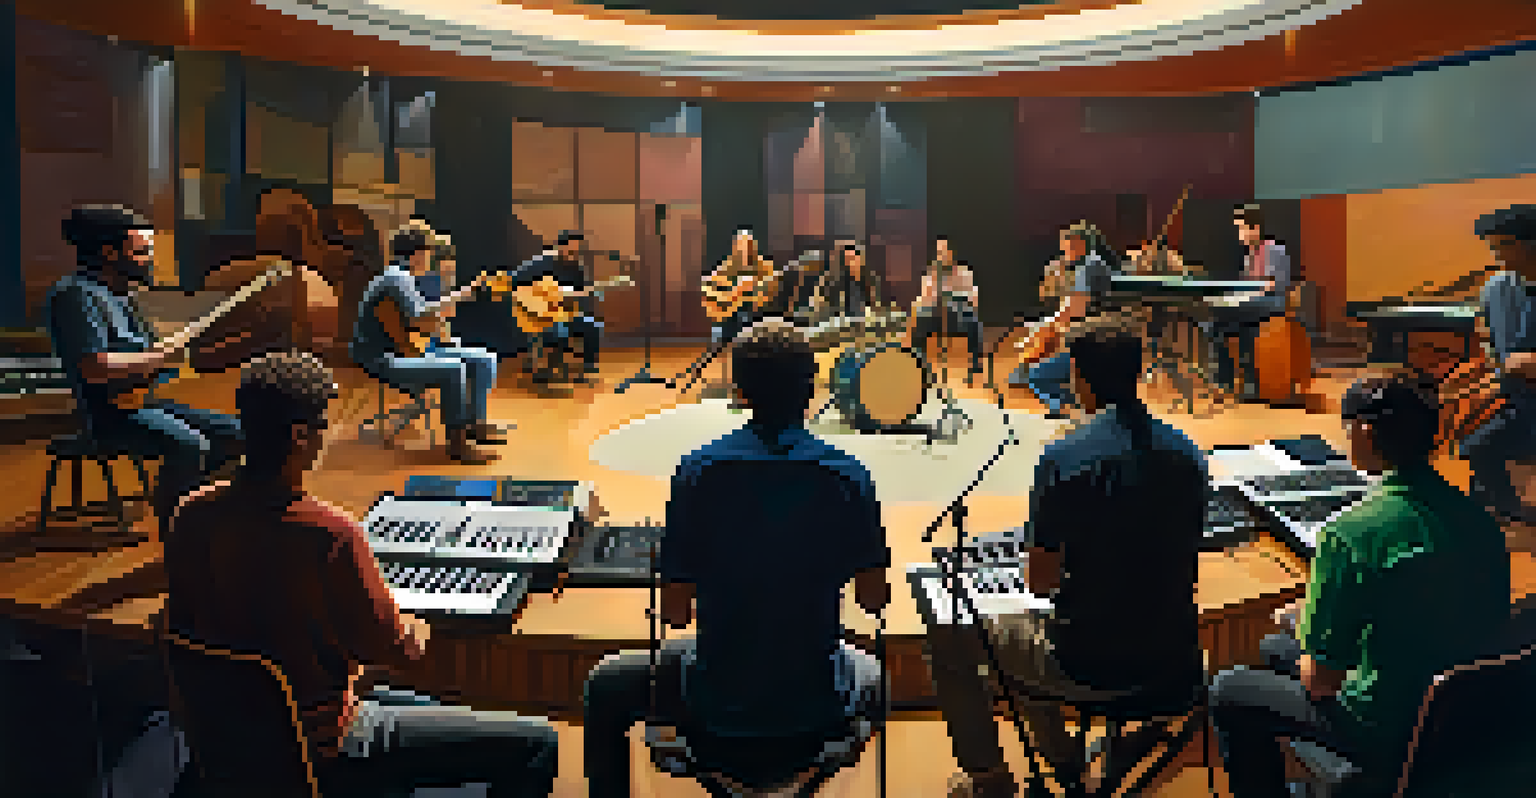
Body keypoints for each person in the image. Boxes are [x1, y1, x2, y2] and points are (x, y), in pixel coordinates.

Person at [166, 351, 559, 798]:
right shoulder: (330, 535)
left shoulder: (192, 513)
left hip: (228, 734)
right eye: (323, 425)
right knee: (538, 742)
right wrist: (413, 624)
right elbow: (397, 650)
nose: (326, 435)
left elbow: (184, 619)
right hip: (323, 743)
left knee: (431, 708)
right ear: (299, 437)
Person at [582, 320, 890, 798]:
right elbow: (873, 599)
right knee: (875, 676)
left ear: (739, 393)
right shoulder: (849, 476)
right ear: (812, 390)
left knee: (605, 684)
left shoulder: (697, 472)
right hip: (816, 704)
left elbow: (676, 612)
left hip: (716, 704)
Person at [931, 325, 1207, 798]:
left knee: (953, 634)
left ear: (1079, 378)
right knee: (1029, 631)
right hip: (1175, 658)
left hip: (1087, 662)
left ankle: (994, 778)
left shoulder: (1065, 456)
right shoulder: (1188, 453)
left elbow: (1040, 582)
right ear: (1137, 372)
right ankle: (1064, 759)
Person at [1209, 374, 1510, 798]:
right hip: (1465, 717)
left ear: (1364, 432)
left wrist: (1307, 623)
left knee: (1229, 688)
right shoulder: (1481, 521)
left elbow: (1321, 682)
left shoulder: (1350, 535)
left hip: (1388, 728)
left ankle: (1345, 779)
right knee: (1275, 647)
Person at [44, 205, 244, 538]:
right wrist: (159, 356)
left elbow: (148, 359)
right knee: (190, 444)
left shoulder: (121, 295)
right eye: (140, 252)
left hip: (143, 402)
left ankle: (194, 507)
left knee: (237, 433)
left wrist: (182, 353)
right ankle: (178, 531)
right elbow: (94, 368)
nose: (148, 259)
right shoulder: (76, 296)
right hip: (111, 413)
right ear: (109, 253)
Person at [351, 224, 507, 463]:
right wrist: (462, 296)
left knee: (484, 359)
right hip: (384, 357)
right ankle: (457, 443)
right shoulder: (397, 278)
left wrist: (461, 297)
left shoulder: (401, 276)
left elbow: (419, 318)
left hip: (407, 348)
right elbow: (420, 316)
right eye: (428, 252)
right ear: (417, 254)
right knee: (453, 369)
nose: (431, 258)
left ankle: (475, 424)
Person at [1461, 205, 1536, 527]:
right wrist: (1489, 373)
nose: (1497, 254)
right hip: (1516, 402)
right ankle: (1507, 513)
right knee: (1477, 447)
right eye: (1493, 246)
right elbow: (1491, 343)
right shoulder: (1495, 289)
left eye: (1505, 245)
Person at [1008, 222, 1120, 418]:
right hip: (1100, 338)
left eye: (1066, 246)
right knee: (1044, 334)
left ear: (1079, 245)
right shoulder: (1094, 264)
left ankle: (1061, 403)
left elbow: (1074, 309)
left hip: (1091, 339)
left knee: (1037, 374)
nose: (1063, 251)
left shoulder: (1088, 267)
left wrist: (1041, 329)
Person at [1203, 204, 1293, 400]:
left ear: (1255, 229)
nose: (1240, 234)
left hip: (1272, 303)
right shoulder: (1249, 255)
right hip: (1252, 306)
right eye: (1238, 229)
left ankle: (1239, 381)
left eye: (1242, 228)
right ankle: (1224, 382)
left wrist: (1246, 296)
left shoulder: (1273, 250)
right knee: (1216, 326)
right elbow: (1246, 286)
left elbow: (1274, 285)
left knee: (1225, 314)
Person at [510, 230, 604, 381]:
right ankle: (550, 370)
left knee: (593, 325)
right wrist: (538, 297)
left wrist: (580, 296)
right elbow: (515, 280)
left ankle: (587, 368)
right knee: (559, 329)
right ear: (560, 247)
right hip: (541, 315)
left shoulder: (577, 269)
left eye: (576, 250)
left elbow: (579, 297)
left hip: (565, 313)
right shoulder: (541, 263)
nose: (573, 254)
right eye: (571, 249)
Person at [908, 236, 984, 379]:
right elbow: (923, 297)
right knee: (920, 319)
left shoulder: (962, 272)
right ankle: (921, 364)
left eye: (945, 250)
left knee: (974, 322)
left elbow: (973, 295)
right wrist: (929, 293)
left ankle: (975, 363)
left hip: (957, 315)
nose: (942, 254)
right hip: (936, 314)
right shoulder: (931, 274)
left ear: (951, 253)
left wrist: (964, 295)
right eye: (939, 251)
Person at [702, 229, 779, 347]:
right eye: (741, 247)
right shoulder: (728, 266)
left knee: (748, 319)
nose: (745, 251)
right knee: (726, 324)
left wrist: (755, 290)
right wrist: (731, 294)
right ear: (735, 248)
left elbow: (773, 288)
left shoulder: (765, 267)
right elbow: (708, 285)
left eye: (748, 247)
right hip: (731, 314)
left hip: (756, 313)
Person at [815, 242, 886, 318]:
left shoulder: (870, 278)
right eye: (847, 259)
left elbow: (876, 303)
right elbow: (826, 300)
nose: (850, 263)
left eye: (852, 258)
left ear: (860, 259)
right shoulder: (837, 279)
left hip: (866, 318)